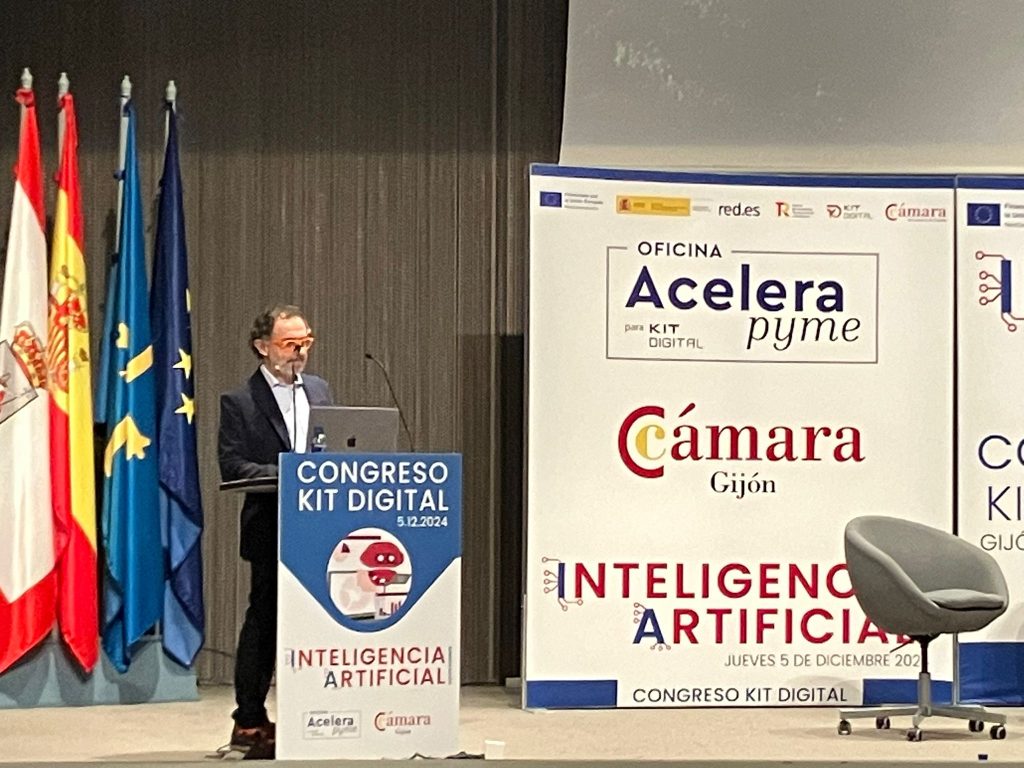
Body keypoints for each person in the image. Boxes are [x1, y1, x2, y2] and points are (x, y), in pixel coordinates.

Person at [218, 304, 333, 750]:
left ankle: (319, 714)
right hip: (270, 525)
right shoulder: (240, 401)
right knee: (264, 621)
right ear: (262, 347)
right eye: (290, 343)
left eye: (306, 341)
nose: (300, 351)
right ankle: (249, 718)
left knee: (321, 619)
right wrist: (291, 473)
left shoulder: (319, 390)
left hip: (321, 527)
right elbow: (233, 465)